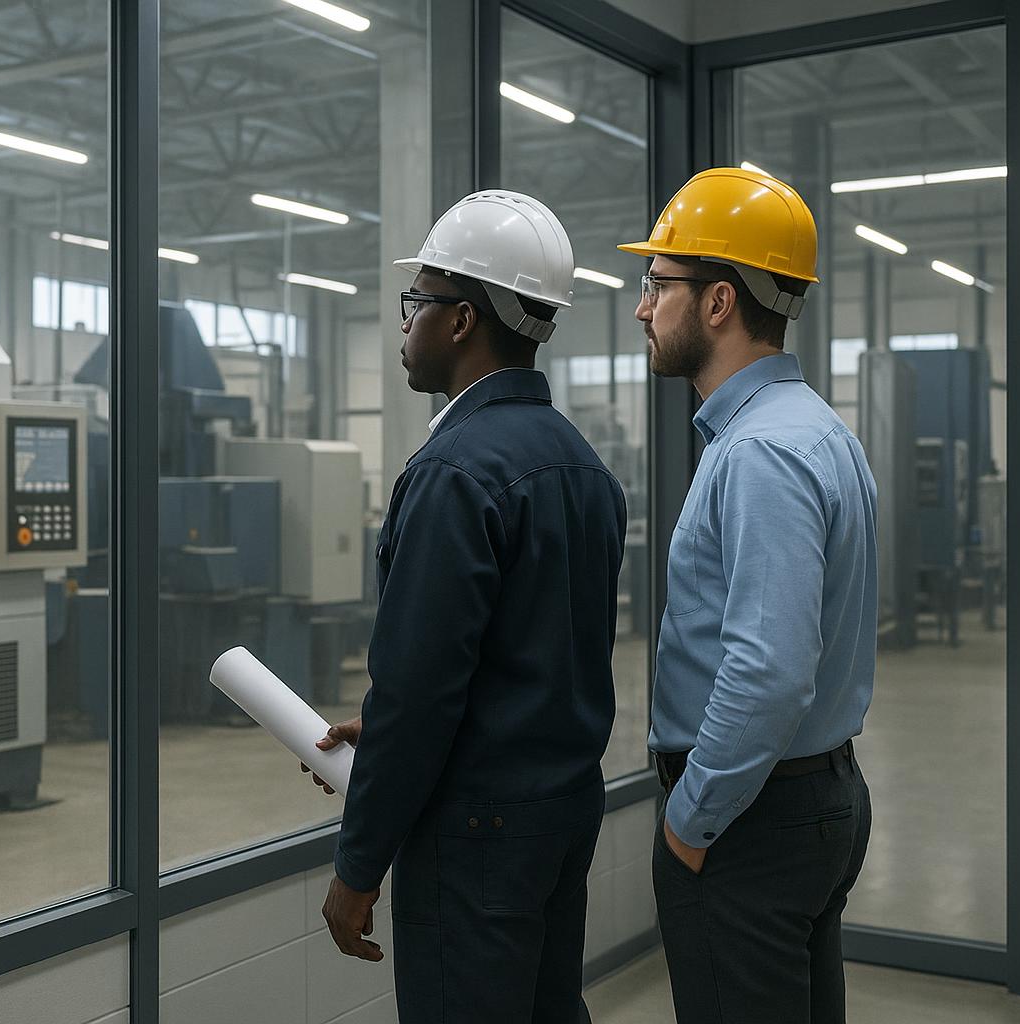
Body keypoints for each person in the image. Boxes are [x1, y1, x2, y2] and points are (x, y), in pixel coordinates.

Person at [305, 190, 627, 1023]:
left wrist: (358, 866)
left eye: (417, 303)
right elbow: (531, 657)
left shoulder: (456, 474)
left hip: (475, 836)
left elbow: (420, 692)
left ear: (460, 321)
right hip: (559, 816)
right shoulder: (584, 466)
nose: (405, 325)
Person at [616, 166, 877, 1024]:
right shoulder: (817, 430)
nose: (645, 308)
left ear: (720, 302)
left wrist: (691, 823)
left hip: (749, 819)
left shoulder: (760, 452)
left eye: (659, 284)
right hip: (806, 798)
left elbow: (768, 670)